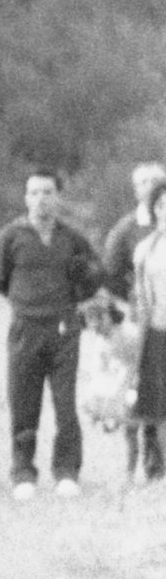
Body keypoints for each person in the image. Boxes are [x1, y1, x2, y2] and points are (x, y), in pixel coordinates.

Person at [0, 169, 105, 500]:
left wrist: (83, 281)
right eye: (35, 192)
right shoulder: (11, 235)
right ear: (26, 198)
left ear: (58, 197)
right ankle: (23, 471)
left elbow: (96, 275)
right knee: (23, 400)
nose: (42, 199)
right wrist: (28, 300)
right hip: (25, 327)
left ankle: (67, 471)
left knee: (66, 403)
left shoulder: (72, 237)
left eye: (48, 192)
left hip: (64, 328)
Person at [121, 179, 166, 486]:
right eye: (162, 206)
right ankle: (158, 469)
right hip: (157, 331)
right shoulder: (145, 249)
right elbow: (140, 297)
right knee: (158, 407)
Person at [104, 163, 166, 307]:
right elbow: (112, 274)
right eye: (144, 182)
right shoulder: (123, 230)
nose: (151, 186)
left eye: (156, 180)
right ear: (136, 191)